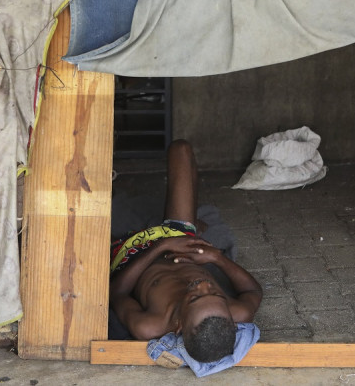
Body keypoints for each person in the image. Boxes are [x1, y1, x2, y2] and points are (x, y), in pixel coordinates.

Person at [109, 140, 263, 363]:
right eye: (216, 293)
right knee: (180, 149)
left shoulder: (149, 325)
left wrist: (160, 246)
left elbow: (117, 294)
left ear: (179, 326)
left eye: (195, 298)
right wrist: (217, 258)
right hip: (181, 239)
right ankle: (191, 220)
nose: (203, 285)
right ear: (231, 318)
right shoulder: (238, 313)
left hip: (136, 254)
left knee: (89, 214)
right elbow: (253, 291)